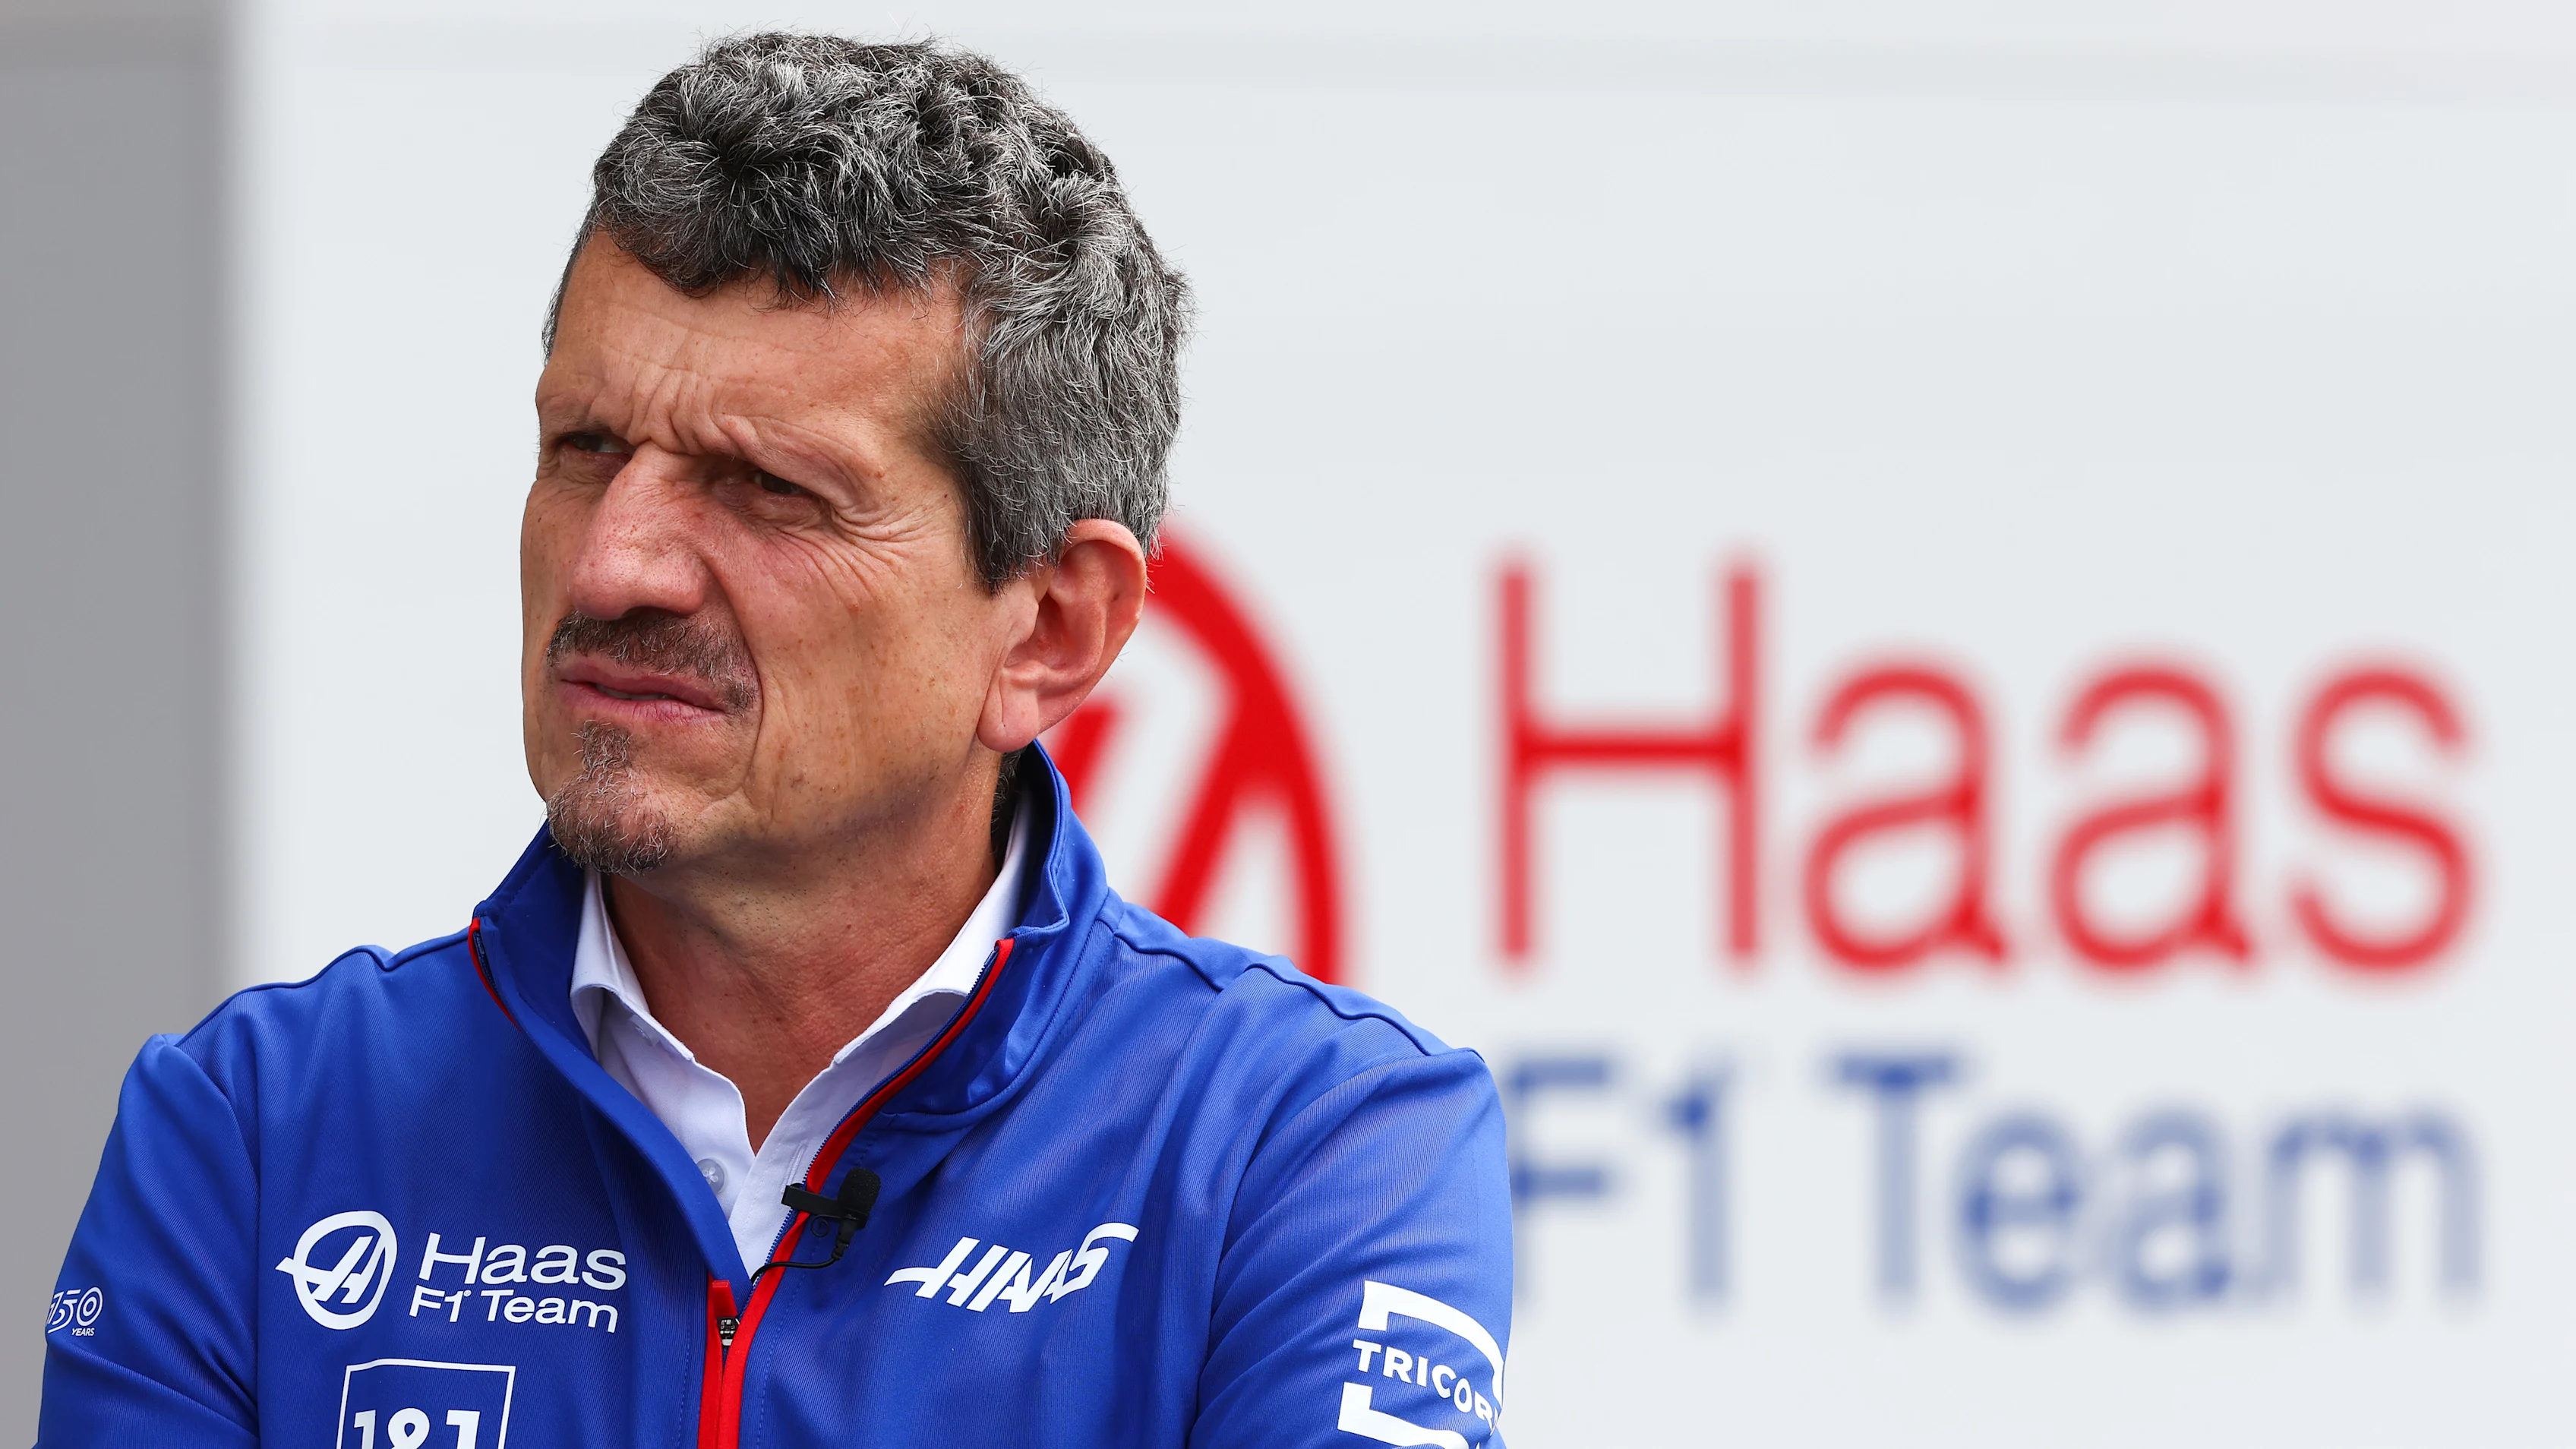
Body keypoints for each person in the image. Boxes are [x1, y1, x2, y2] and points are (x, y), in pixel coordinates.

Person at [36, 33, 1511, 1449]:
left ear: (1050, 629)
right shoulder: (249, 1132)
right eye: (585, 450)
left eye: (766, 491)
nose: (616, 569)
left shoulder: (1314, 1149)